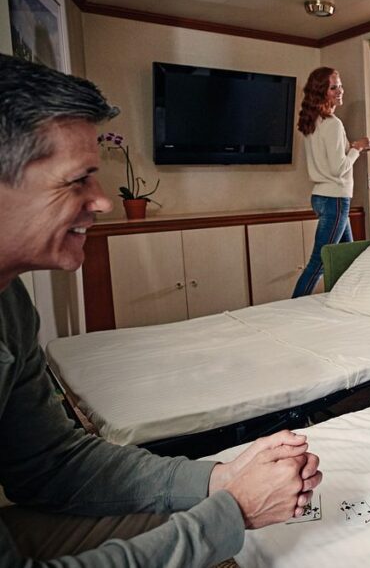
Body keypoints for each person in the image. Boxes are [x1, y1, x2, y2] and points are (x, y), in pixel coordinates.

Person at [0, 54, 323, 566]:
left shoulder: (9, 301)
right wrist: (233, 511)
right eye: (78, 180)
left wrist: (220, 479)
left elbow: (50, 464)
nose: (102, 201)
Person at [292, 67, 370, 297]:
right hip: (334, 200)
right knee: (318, 263)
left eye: (340, 85)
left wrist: (353, 146)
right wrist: (357, 149)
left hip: (321, 197)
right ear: (321, 92)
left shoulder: (313, 122)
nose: (340, 91)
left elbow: (328, 160)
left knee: (347, 258)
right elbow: (339, 169)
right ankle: (294, 307)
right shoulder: (333, 124)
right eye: (333, 87)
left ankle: (347, 301)